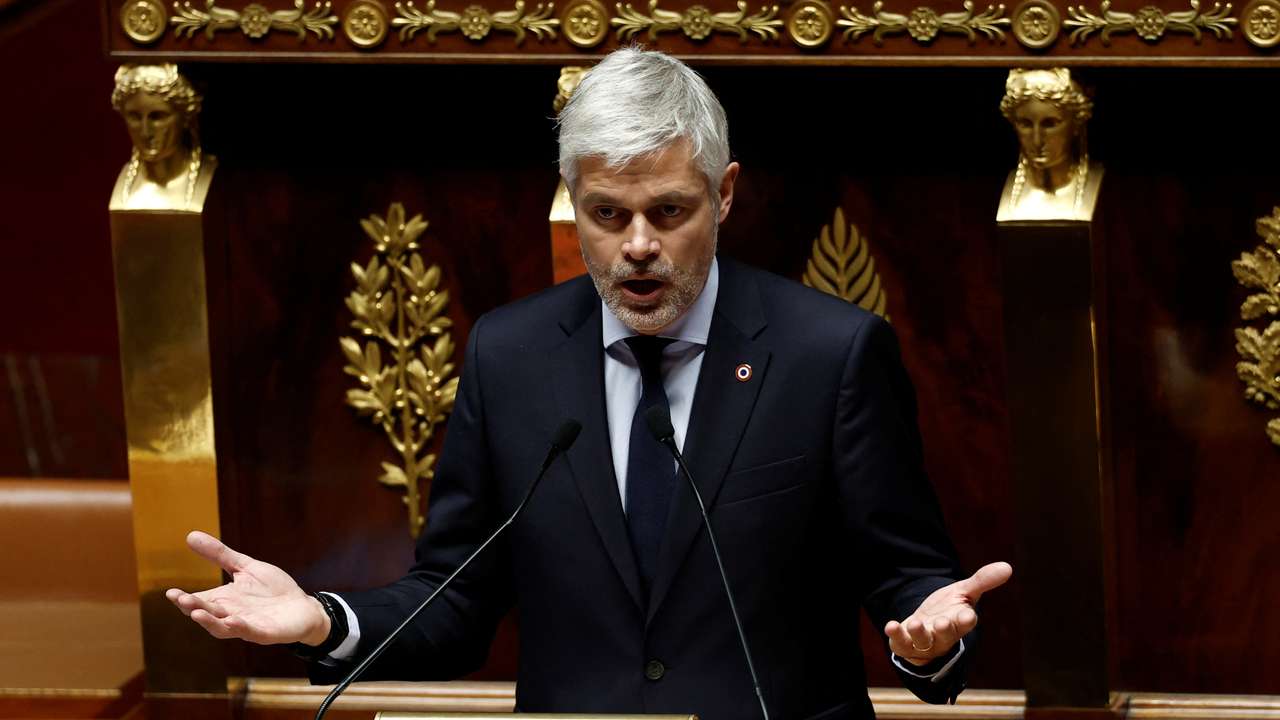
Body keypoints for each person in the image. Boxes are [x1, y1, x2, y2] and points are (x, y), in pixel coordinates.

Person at [167, 47, 1012, 719]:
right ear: (573, 200)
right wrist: (324, 619)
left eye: (669, 212)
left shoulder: (831, 352)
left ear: (724, 195)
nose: (637, 245)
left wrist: (928, 641)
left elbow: (910, 582)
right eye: (608, 214)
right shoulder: (512, 355)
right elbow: (454, 602)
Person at [997, 67, 1103, 222]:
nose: (1037, 140)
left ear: (1077, 124)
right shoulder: (1004, 188)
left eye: (1050, 124)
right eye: (1025, 124)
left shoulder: (1099, 183)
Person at [111, 63, 209, 211]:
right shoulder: (125, 188)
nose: (145, 132)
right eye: (135, 117)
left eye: (157, 117)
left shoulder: (207, 175)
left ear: (186, 117)